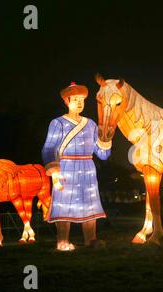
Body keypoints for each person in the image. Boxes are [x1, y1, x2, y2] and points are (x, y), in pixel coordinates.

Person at [42, 82, 112, 251]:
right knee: (64, 205)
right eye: (75, 99)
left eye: (82, 99)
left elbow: (102, 154)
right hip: (66, 167)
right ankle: (62, 241)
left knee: (89, 205)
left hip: (88, 169)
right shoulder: (57, 123)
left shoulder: (91, 125)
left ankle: (91, 239)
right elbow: (49, 147)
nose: (79, 103)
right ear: (67, 101)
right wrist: (55, 171)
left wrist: (106, 139)